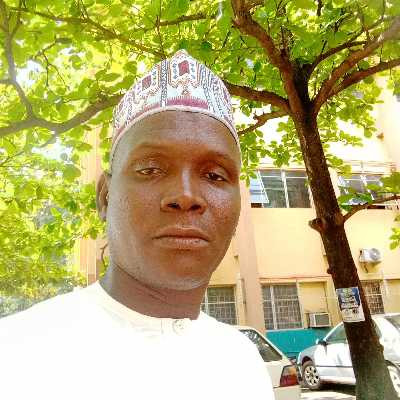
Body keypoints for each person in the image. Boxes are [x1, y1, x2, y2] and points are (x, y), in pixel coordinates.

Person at [0, 50, 275, 400]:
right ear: (105, 197)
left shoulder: (242, 361)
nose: (186, 196)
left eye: (214, 175)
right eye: (150, 169)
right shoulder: (17, 355)